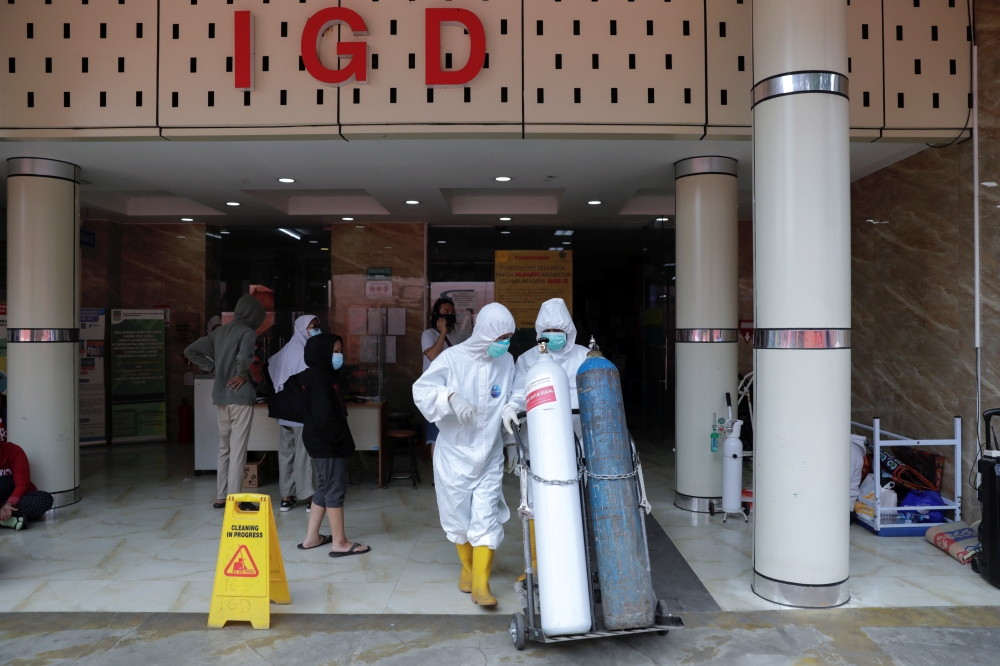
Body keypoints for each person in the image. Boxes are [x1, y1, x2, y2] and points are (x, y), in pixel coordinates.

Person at [412, 302, 516, 607]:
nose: (505, 344)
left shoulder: (507, 361)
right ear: (484, 333)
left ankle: (482, 585)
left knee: (486, 518)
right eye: (500, 337)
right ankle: (468, 569)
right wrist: (451, 397)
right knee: (458, 519)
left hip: (490, 452)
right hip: (455, 454)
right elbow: (421, 390)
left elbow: (508, 402)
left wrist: (509, 445)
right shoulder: (452, 358)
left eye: (508, 337)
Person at [501, 298, 590, 581]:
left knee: (572, 500)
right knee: (535, 504)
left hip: (577, 443)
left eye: (558, 328)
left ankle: (573, 562)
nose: (553, 334)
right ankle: (536, 566)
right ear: (540, 331)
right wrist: (512, 410)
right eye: (548, 329)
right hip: (539, 442)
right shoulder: (528, 358)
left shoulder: (585, 356)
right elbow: (518, 391)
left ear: (569, 329)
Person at [185, 294, 266, 509]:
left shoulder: (219, 332)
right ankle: (236, 499)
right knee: (239, 449)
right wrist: (241, 373)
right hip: (240, 397)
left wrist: (214, 369)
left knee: (224, 448)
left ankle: (221, 496)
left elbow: (190, 351)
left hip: (221, 396)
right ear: (253, 314)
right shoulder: (247, 332)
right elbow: (246, 356)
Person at [296, 334, 370, 557]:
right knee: (335, 488)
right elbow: (325, 417)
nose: (339, 356)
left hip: (320, 440)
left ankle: (312, 538)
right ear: (321, 352)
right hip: (327, 443)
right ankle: (340, 542)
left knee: (324, 486)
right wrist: (341, 441)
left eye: (340, 351)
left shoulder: (321, 375)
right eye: (334, 351)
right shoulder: (320, 379)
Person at [268, 315, 321, 512]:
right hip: (300, 414)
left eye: (317, 326)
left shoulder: (282, 353)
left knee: (286, 454)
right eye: (313, 327)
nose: (317, 329)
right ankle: (309, 497)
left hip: (283, 413)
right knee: (304, 455)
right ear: (301, 330)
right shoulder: (306, 355)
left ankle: (286, 496)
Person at [421, 297, 459, 450]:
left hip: (452, 389)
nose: (449, 315)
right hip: (435, 391)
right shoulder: (428, 334)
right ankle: (436, 472)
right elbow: (432, 356)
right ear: (437, 314)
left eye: (452, 312)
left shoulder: (456, 335)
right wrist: (442, 333)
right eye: (445, 312)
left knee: (451, 433)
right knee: (435, 436)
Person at [0, 441, 54, 530]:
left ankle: (5, 517)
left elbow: (22, 484)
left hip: (16, 501)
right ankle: (10, 520)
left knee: (44, 499)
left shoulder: (14, 450)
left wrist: (8, 505)